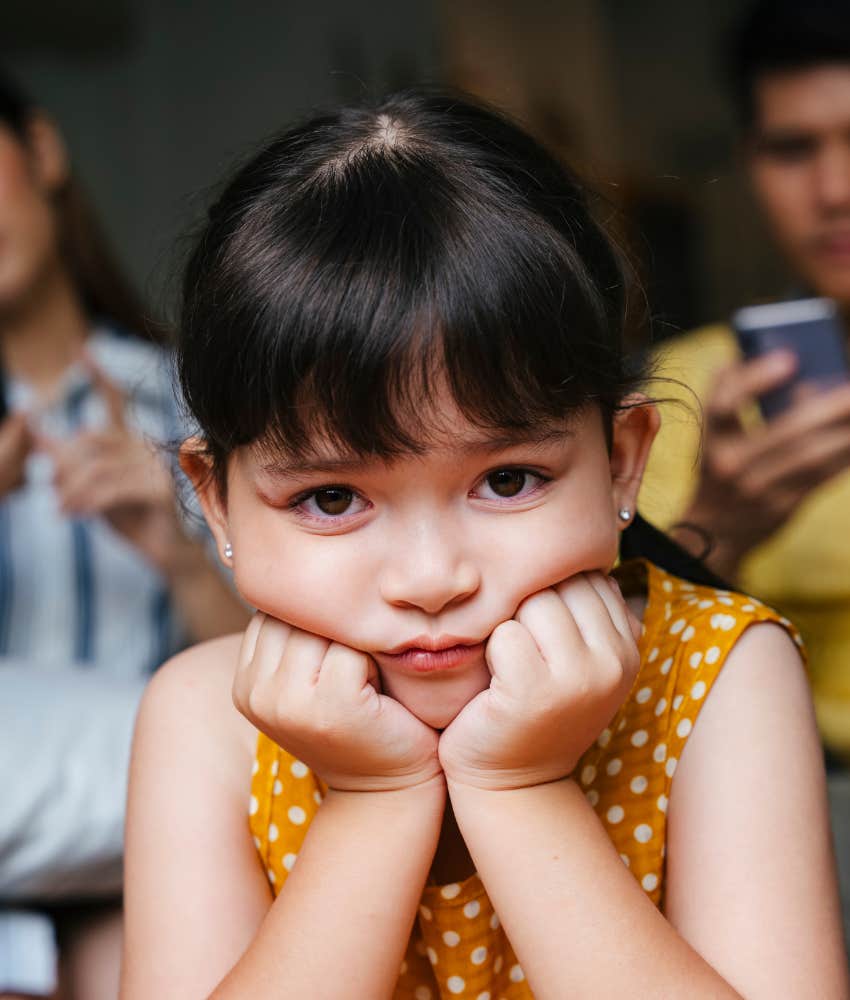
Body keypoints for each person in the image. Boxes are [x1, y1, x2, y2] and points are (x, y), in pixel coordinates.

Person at [122, 90, 847, 999]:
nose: (431, 580)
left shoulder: (718, 676)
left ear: (622, 464)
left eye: (507, 481)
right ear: (216, 502)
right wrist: (372, 805)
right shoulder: (206, 720)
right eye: (332, 497)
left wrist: (521, 792)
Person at [0, 70, 249, 1000]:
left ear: (42, 149)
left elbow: (273, 688)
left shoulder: (198, 401)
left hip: (146, 855)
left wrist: (177, 546)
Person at [639, 0, 850, 758]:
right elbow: (628, 670)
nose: (834, 190)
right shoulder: (690, 388)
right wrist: (717, 526)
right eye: (793, 149)